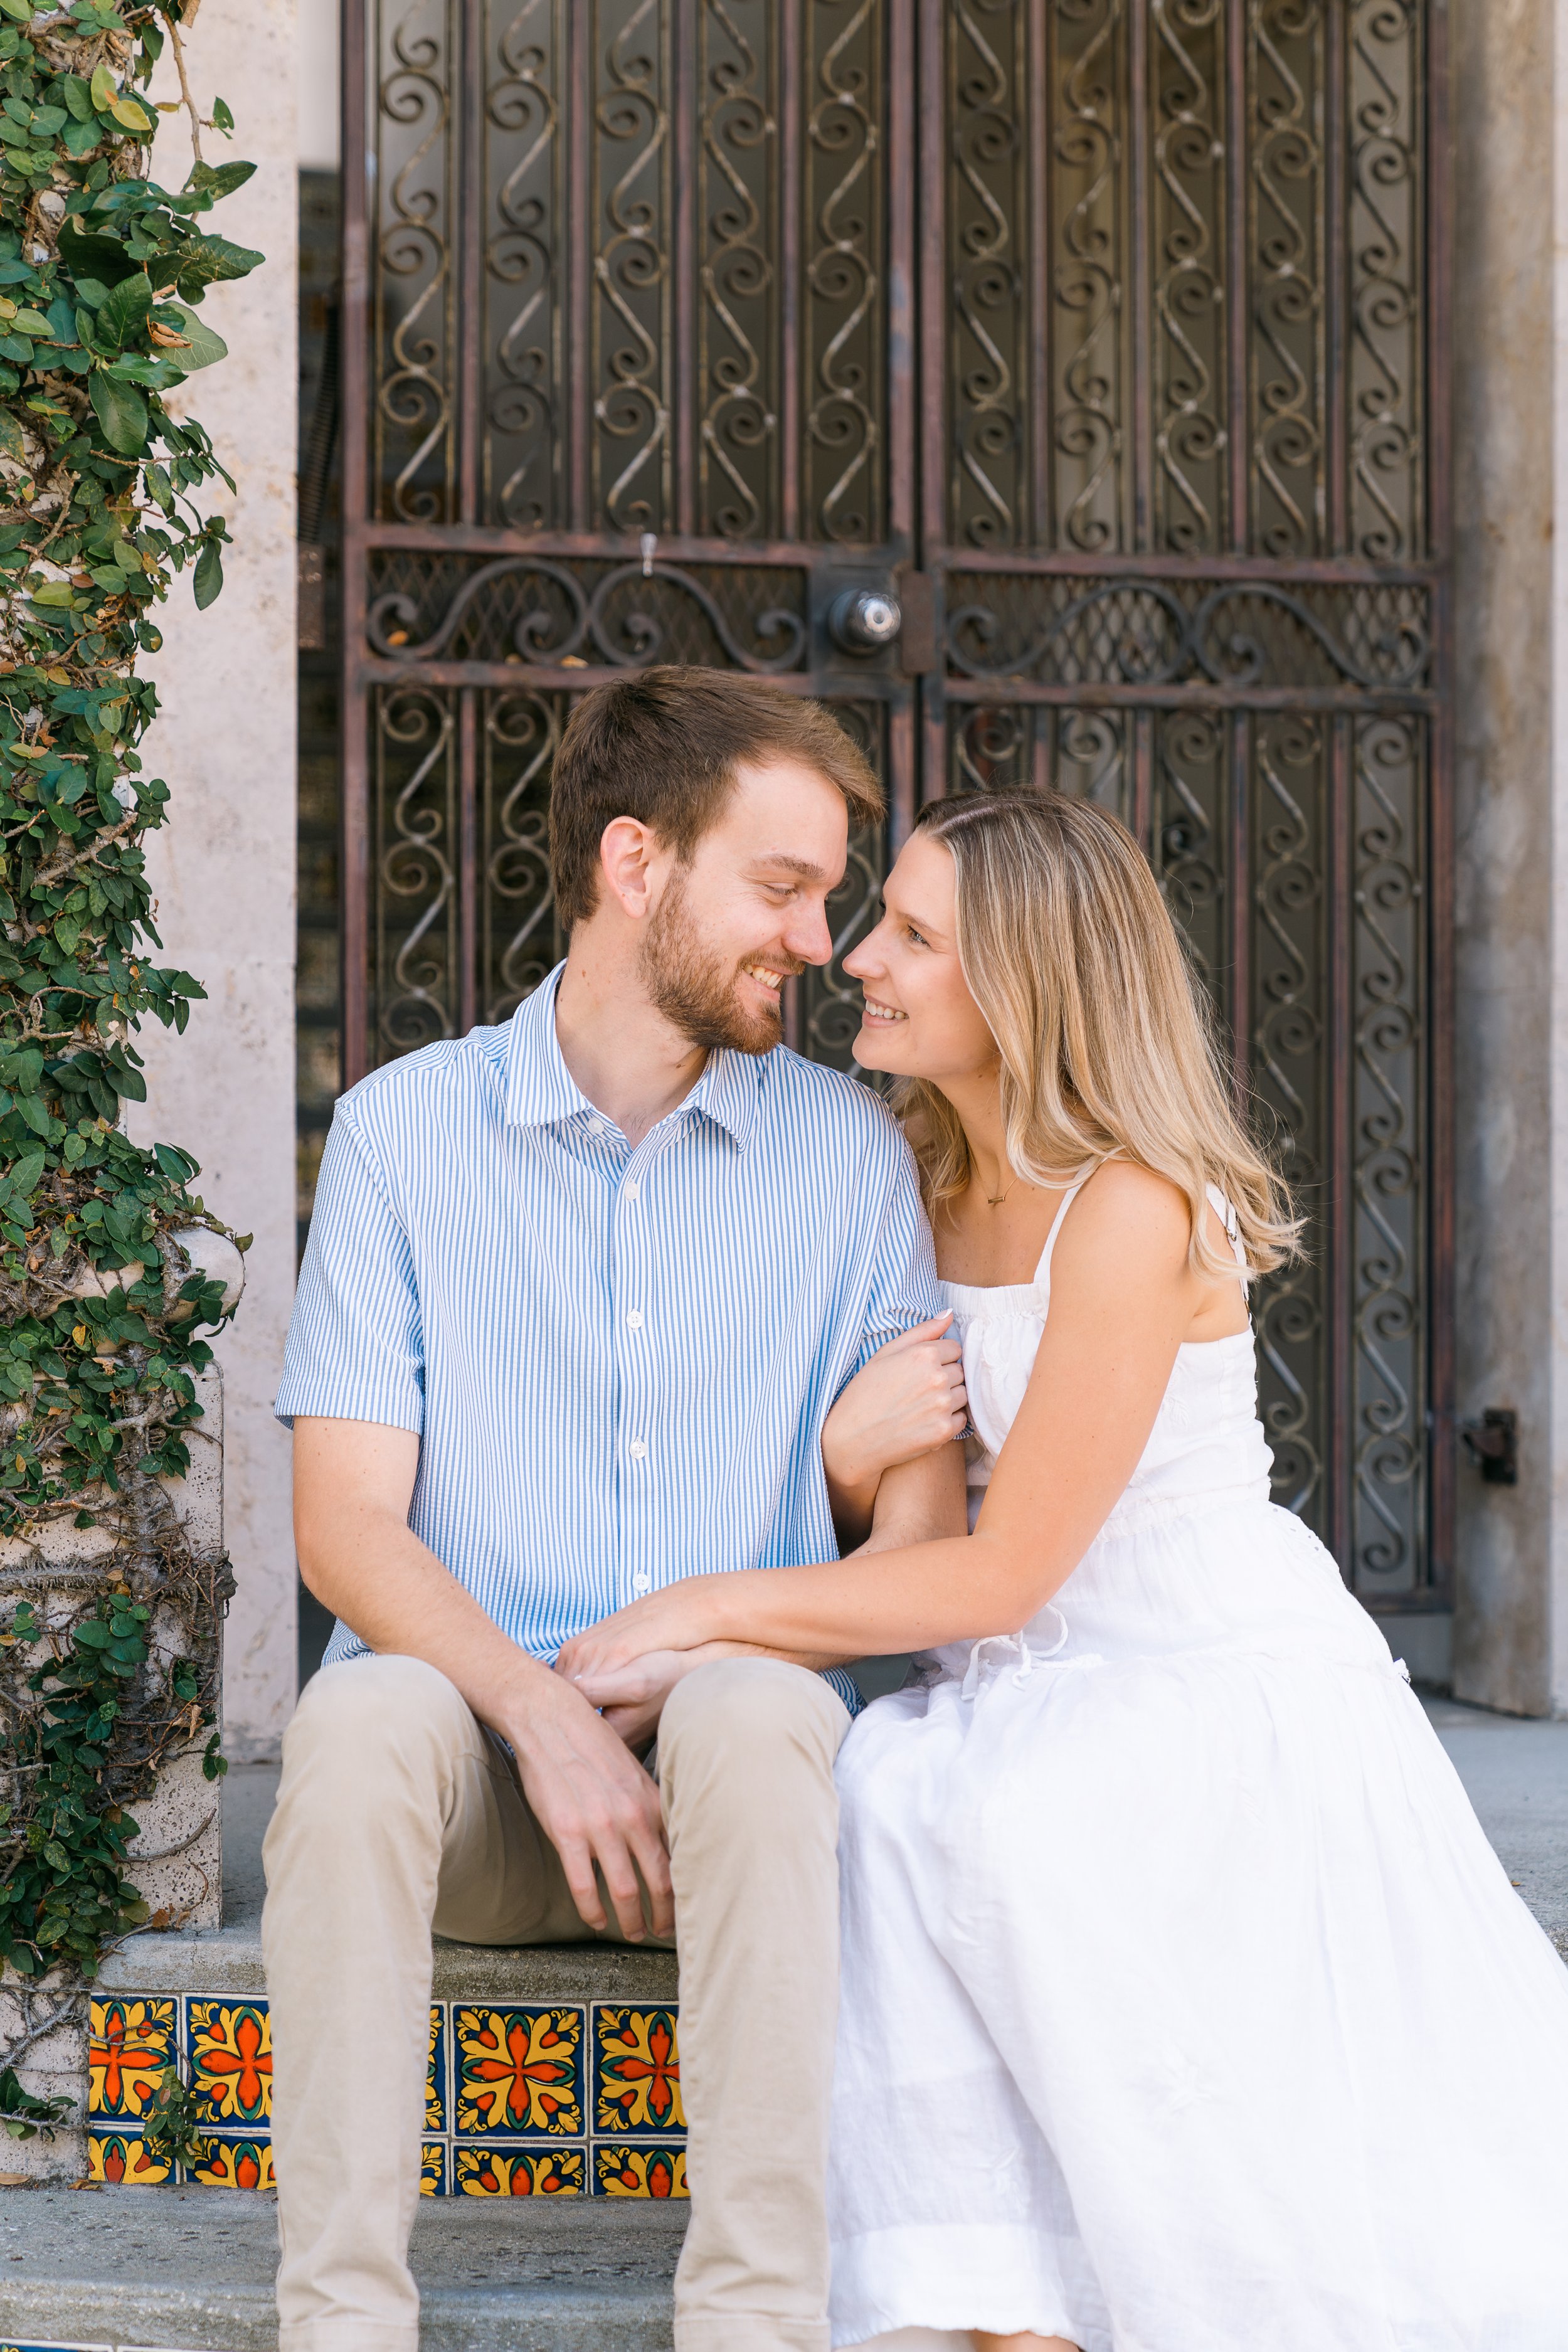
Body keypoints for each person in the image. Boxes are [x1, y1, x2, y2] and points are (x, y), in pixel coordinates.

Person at [561, 789, 1568, 2352]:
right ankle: (987, 2305)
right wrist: (833, 1469)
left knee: (1007, 1821)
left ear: (1025, 981)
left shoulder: (1132, 1207)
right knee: (893, 1796)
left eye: (911, 936)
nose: (855, 962)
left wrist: (696, 1608)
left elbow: (1006, 1570)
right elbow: (914, 1528)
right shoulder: (896, 1169)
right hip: (1006, 1672)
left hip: (1191, 1662)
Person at [262, 667, 966, 2352]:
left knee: (742, 1701)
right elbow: (346, 1524)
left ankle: (753, 2323)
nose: (817, 941)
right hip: (484, 1809)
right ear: (636, 864)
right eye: (781, 890)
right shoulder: (401, 1134)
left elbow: (929, 1563)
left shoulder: (849, 1158)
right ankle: (340, 2323)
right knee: (358, 1711)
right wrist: (538, 1712)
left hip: (743, 1805)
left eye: (829, 898)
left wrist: (801, 1517)